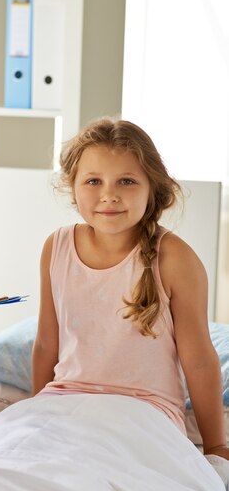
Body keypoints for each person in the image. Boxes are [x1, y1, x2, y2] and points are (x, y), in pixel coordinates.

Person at [32, 117, 229, 461]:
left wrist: (215, 446)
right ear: (73, 187)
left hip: (144, 414)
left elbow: (198, 361)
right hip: (64, 406)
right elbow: (47, 344)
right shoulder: (57, 247)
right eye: (93, 181)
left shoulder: (174, 258)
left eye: (126, 181)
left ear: (153, 188)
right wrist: (36, 418)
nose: (109, 195)